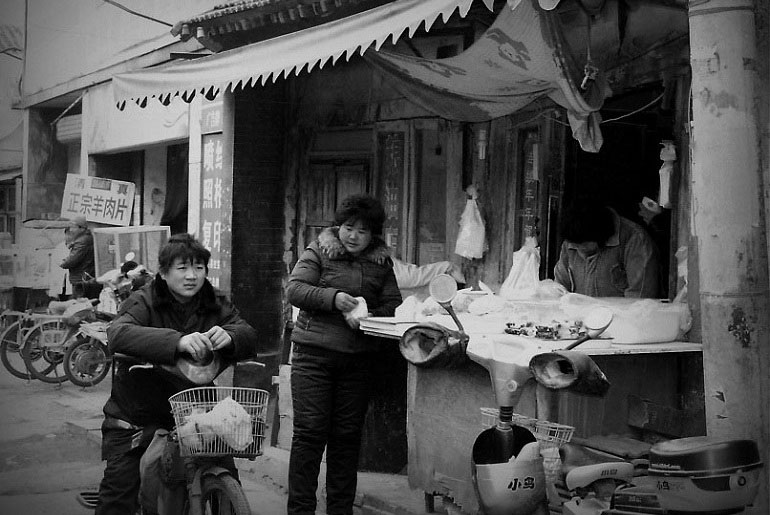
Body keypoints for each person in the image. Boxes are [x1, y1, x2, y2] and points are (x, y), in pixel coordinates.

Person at [93, 233, 258, 514]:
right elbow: (118, 333)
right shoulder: (143, 300)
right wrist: (177, 342)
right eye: (182, 268)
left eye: (199, 268)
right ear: (164, 272)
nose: (192, 276)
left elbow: (247, 333)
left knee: (226, 486)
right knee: (119, 493)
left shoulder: (214, 301)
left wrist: (230, 336)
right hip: (137, 414)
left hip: (197, 415)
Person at [286, 194, 402, 515]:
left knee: (347, 439)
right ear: (338, 227)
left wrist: (369, 312)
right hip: (314, 357)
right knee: (309, 436)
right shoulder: (319, 251)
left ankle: (340, 510)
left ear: (373, 235)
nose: (353, 236)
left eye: (362, 231)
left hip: (358, 360)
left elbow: (394, 304)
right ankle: (300, 510)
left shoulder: (381, 262)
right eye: (348, 228)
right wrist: (333, 297)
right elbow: (295, 289)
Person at [553, 203, 660, 298]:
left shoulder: (635, 240)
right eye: (576, 247)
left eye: (584, 246)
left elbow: (639, 299)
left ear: (600, 236)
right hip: (579, 318)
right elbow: (560, 286)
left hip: (622, 318)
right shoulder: (572, 239)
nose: (581, 253)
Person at [60, 215, 100, 299]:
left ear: (81, 228)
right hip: (85, 277)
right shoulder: (85, 238)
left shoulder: (82, 241)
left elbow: (72, 260)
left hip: (81, 279)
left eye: (73, 227)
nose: (71, 230)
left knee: (79, 304)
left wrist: (62, 263)